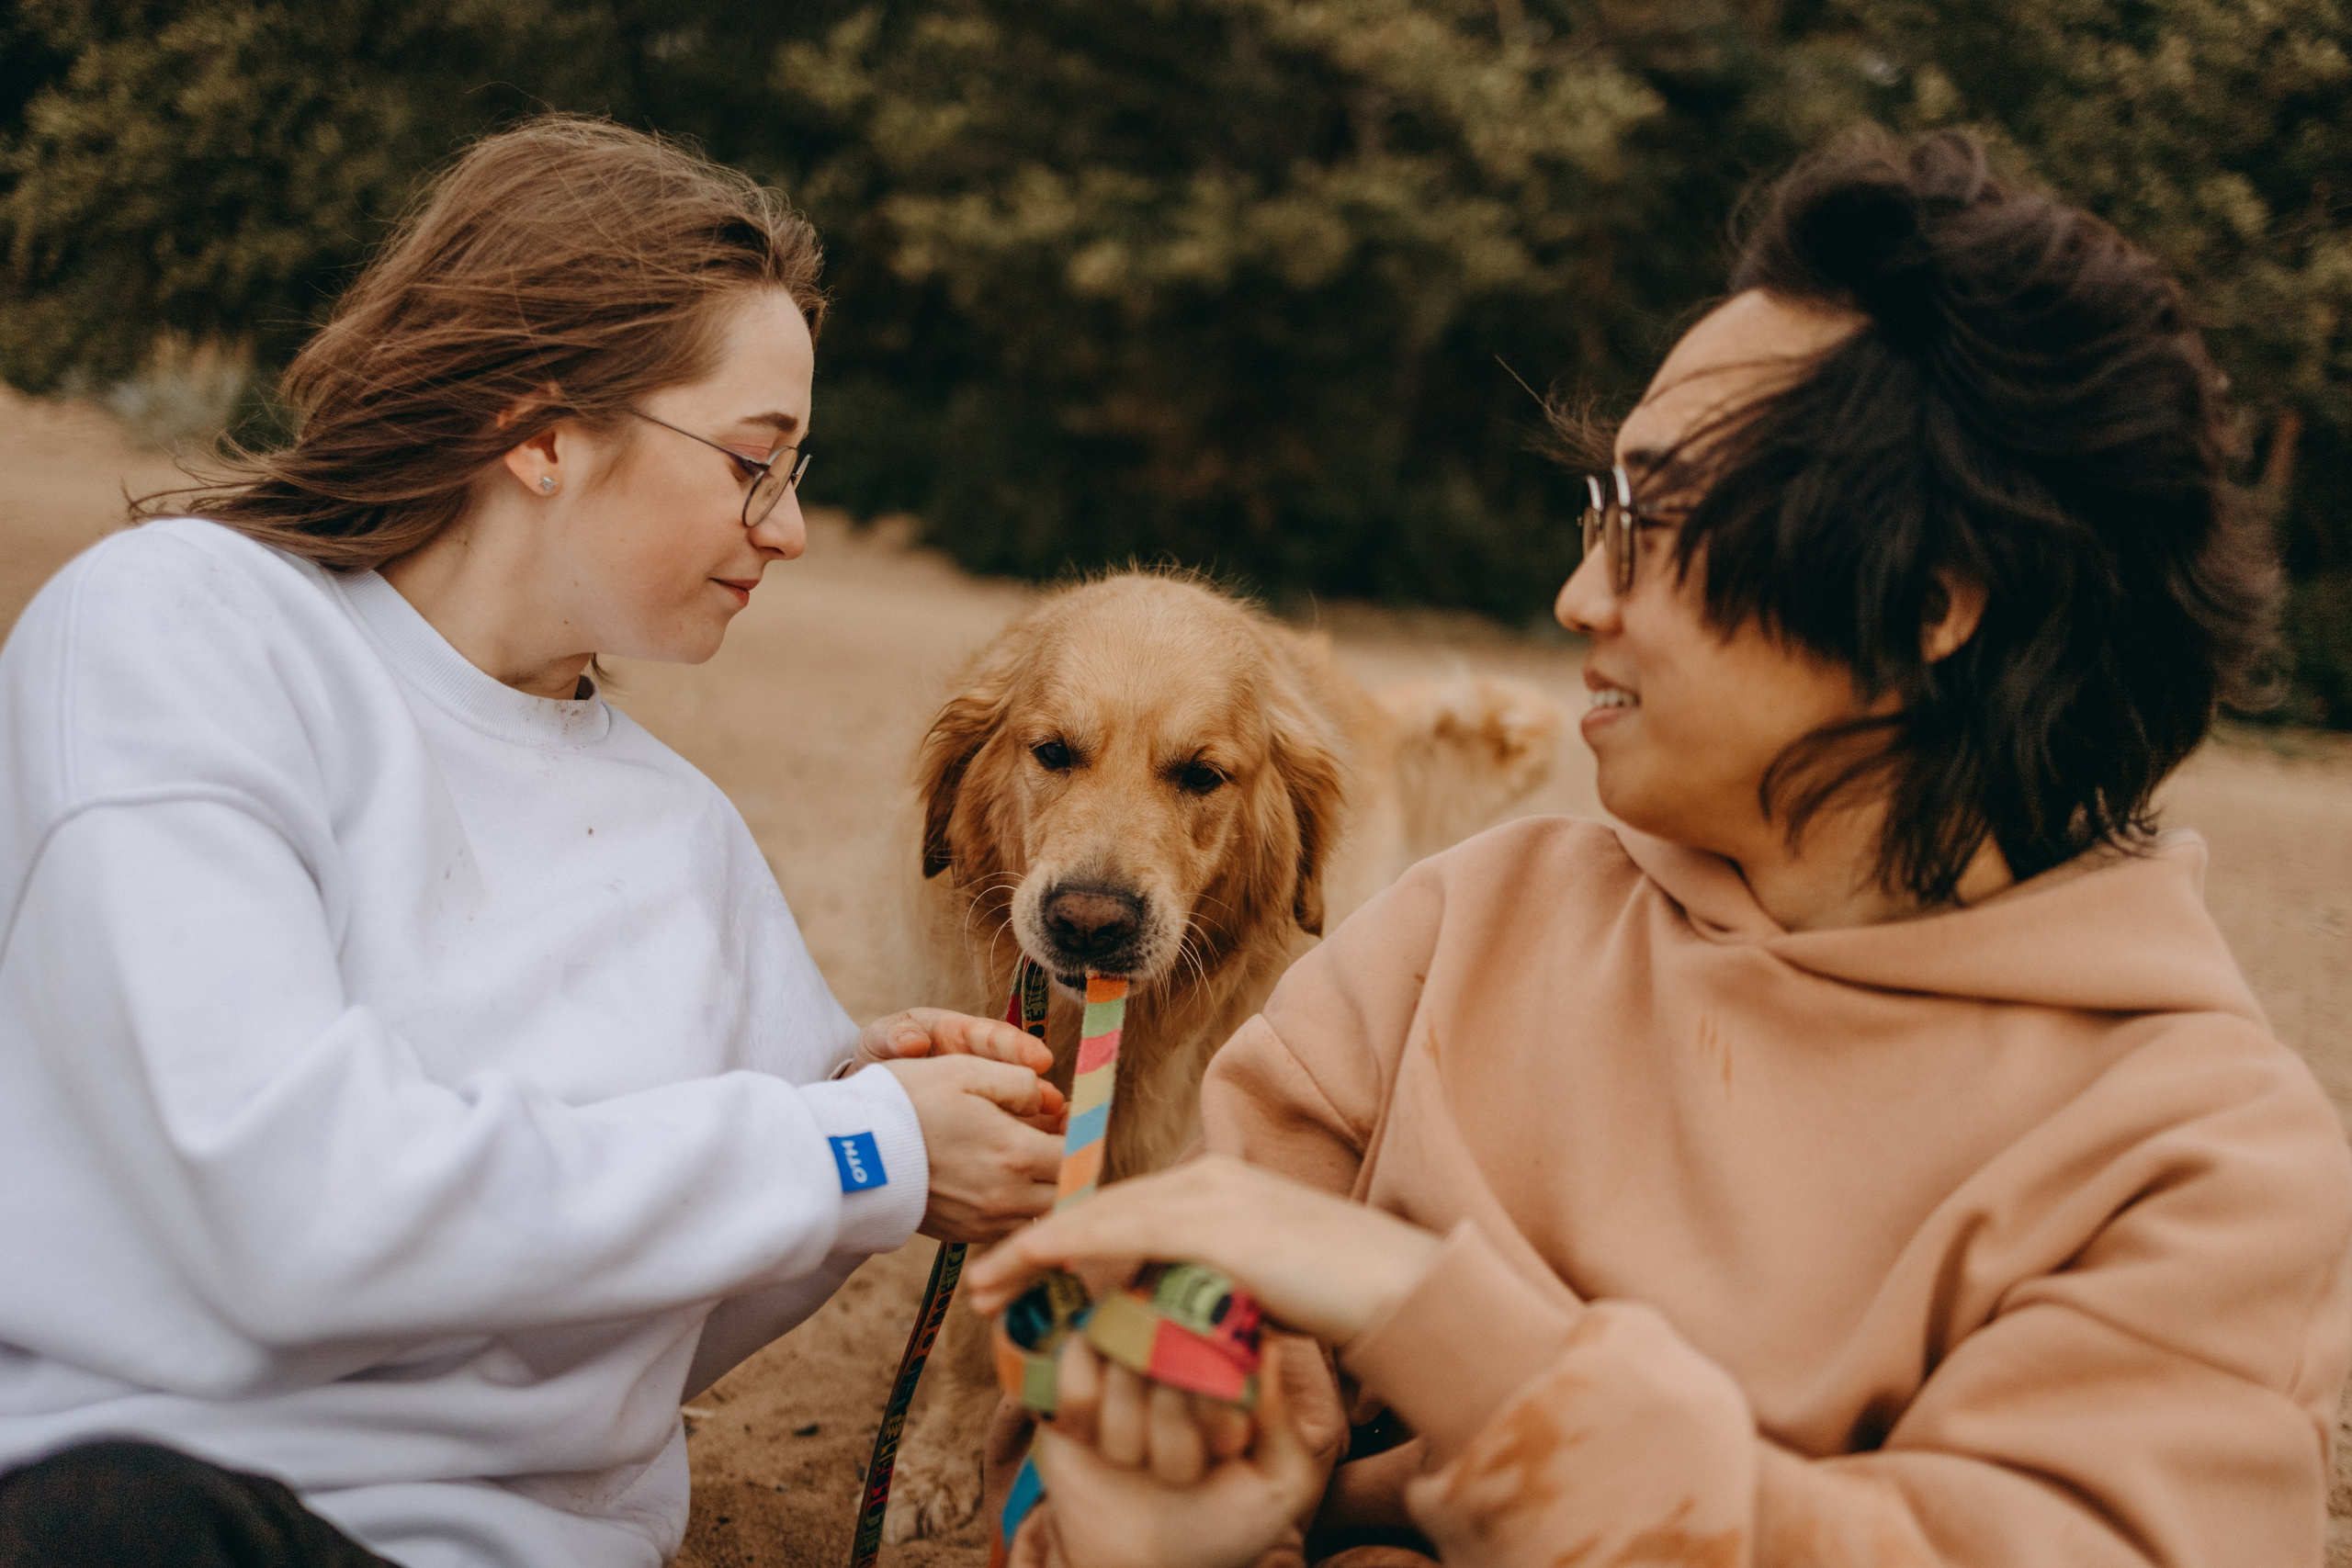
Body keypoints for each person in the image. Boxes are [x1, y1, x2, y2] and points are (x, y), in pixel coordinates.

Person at [964, 129, 2352, 1567]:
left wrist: (1442, 1328)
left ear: (1929, 605)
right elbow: (1096, 1434)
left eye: (1647, 521)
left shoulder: (2196, 1158)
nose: (1577, 596)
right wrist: (1136, 1495)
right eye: (1594, 514)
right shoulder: (1453, 938)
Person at [0, 117, 1067, 1568]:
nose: (792, 526)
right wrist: (849, 1143)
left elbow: (678, 1308)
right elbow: (293, 1210)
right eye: (756, 461)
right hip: (157, 1503)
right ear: (542, 427)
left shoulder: (686, 836)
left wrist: (860, 1114)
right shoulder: (186, 628)